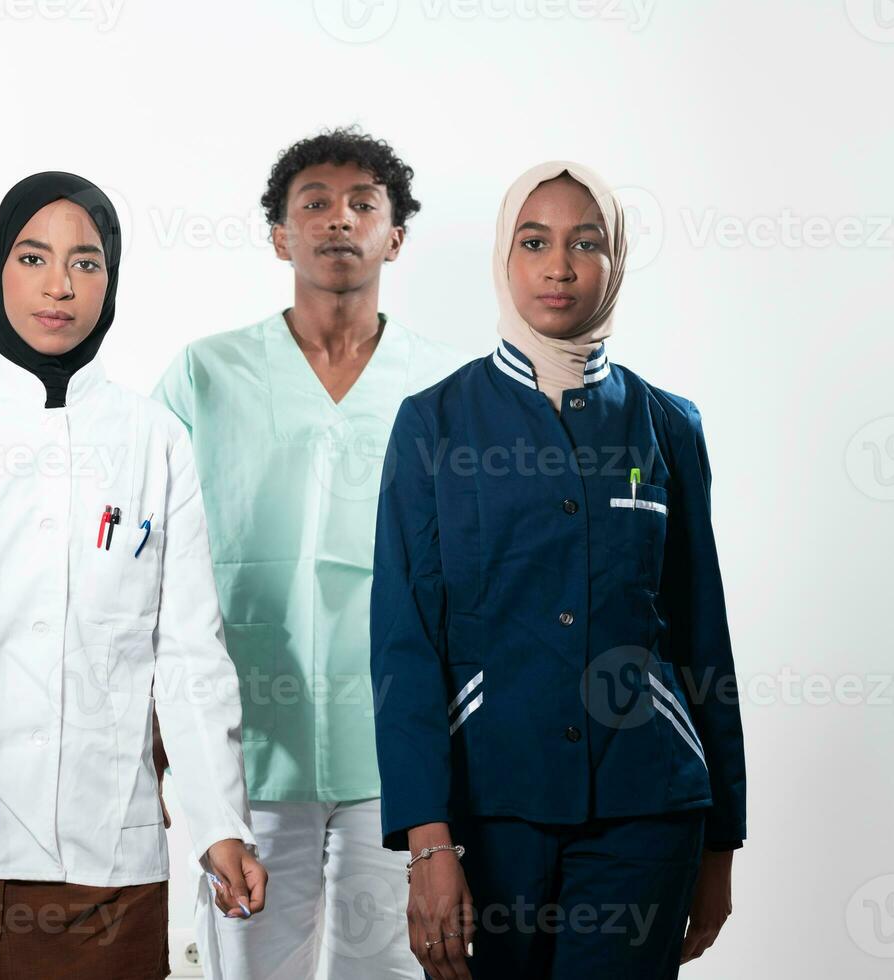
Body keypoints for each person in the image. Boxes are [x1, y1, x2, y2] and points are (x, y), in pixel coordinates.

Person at [0, 171, 267, 979]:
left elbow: (189, 657)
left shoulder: (155, 440)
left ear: (113, 278)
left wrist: (219, 823)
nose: (60, 286)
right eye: (33, 258)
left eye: (87, 262)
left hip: (108, 867)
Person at [371, 161, 747, 979]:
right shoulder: (434, 423)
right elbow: (403, 644)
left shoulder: (668, 425)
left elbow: (702, 633)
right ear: (505, 259)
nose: (560, 266)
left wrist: (721, 843)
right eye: (534, 242)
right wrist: (427, 842)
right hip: (490, 808)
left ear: (615, 261)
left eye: (587, 243)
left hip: (647, 809)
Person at [153, 127, 462, 979]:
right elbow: (149, 561)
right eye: (314, 204)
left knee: (391, 971)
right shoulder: (205, 376)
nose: (339, 220)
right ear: (279, 235)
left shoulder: (444, 389)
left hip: (398, 753)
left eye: (364, 204)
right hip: (248, 747)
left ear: (395, 237)